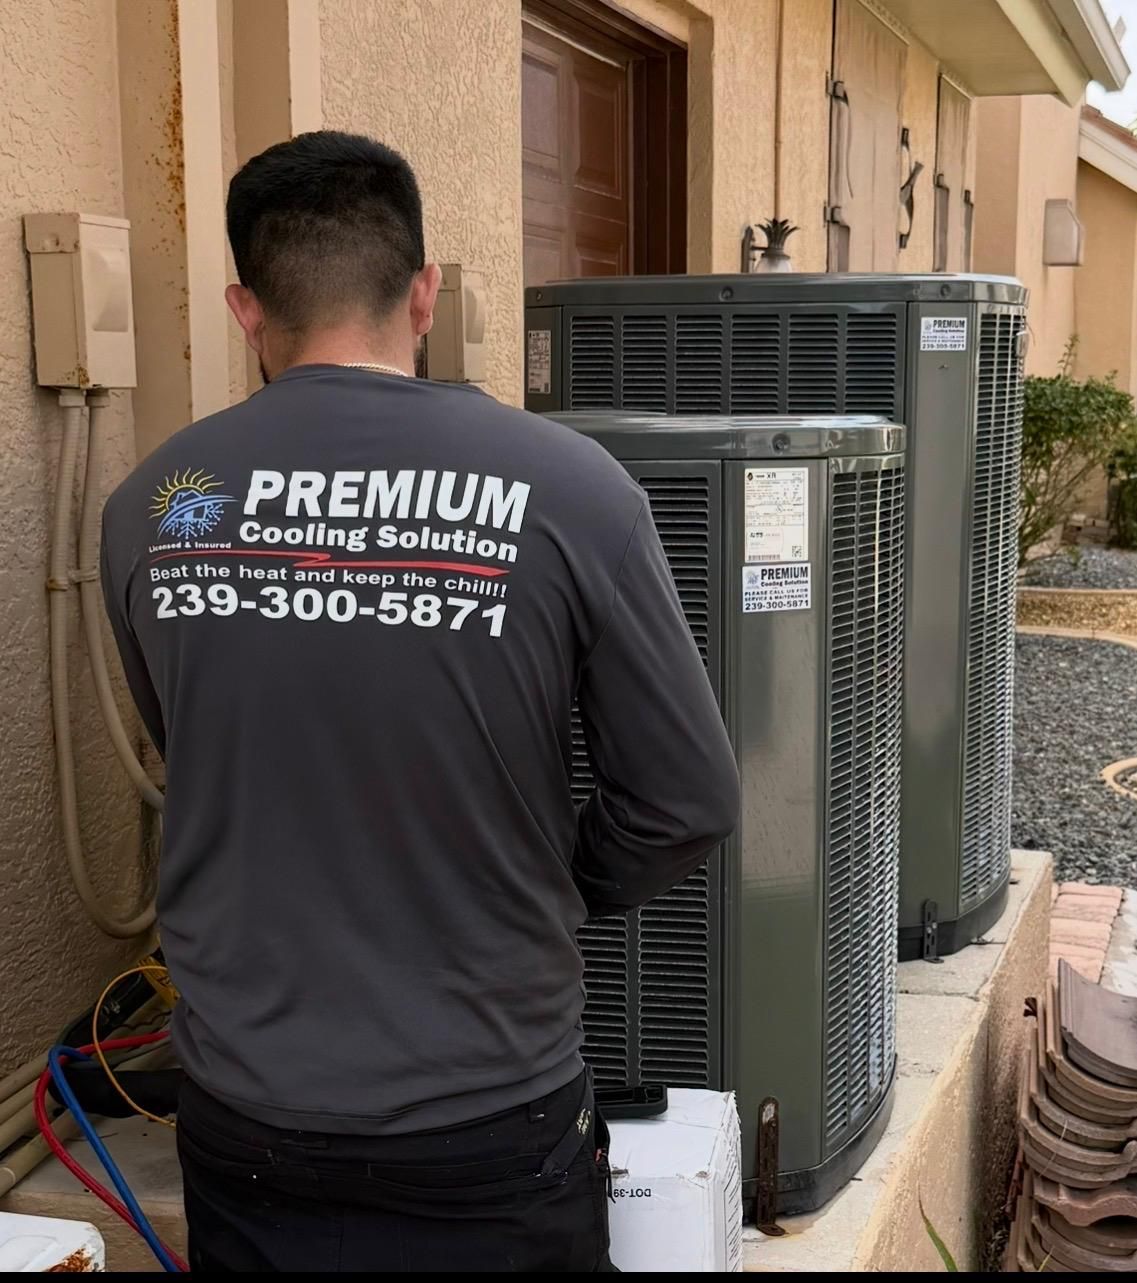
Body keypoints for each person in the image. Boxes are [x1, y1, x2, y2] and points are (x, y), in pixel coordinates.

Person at [100, 131, 739, 1273]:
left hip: (249, 1117)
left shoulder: (152, 505)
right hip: (488, 1114)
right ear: (426, 292)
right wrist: (550, 878)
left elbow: (183, 740)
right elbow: (686, 799)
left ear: (245, 309)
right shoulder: (571, 488)